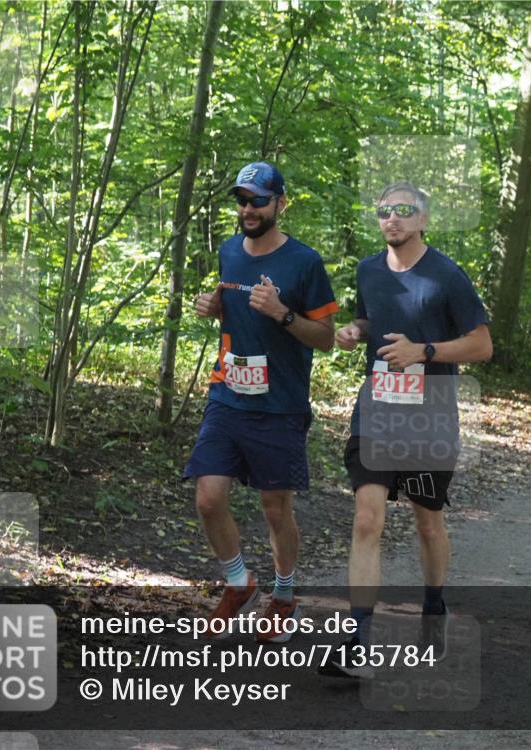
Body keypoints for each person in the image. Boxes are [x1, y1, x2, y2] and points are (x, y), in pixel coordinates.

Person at [320, 182, 491, 679]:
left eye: (402, 210)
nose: (391, 218)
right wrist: (355, 331)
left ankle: (434, 607)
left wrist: (425, 351)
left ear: (422, 220)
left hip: (429, 419)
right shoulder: (368, 270)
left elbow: (482, 345)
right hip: (376, 414)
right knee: (366, 520)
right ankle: (358, 643)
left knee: (427, 524)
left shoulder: (447, 276)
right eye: (383, 211)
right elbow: (369, 319)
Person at [184, 161, 338, 643]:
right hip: (227, 394)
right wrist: (214, 309)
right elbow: (232, 313)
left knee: (275, 508)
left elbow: (326, 338)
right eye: (242, 200)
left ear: (280, 204)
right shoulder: (229, 251)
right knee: (208, 497)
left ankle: (284, 597)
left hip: (280, 404)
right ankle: (239, 584)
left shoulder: (304, 262)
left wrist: (283, 314)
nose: (248, 209)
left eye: (258, 200)